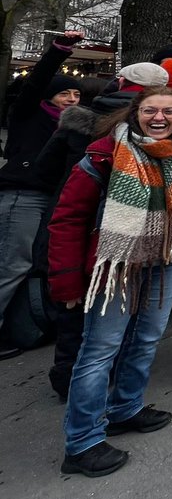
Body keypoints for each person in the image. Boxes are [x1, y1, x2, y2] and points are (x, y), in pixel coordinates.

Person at [48, 86, 172, 477]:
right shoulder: (105, 155)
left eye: (168, 111)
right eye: (150, 111)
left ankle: (126, 407)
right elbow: (68, 219)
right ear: (135, 113)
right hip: (114, 266)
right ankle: (82, 442)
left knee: (147, 338)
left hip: (168, 259)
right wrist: (67, 283)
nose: (159, 118)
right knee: (98, 351)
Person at [0, 31, 83, 360]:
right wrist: (59, 50)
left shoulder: (71, 126)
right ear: (50, 97)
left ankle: (20, 324)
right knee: (12, 263)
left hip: (47, 199)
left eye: (77, 94)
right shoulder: (29, 115)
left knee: (29, 263)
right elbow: (36, 83)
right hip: (22, 196)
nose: (73, 99)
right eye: (66, 94)